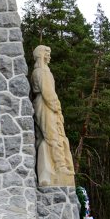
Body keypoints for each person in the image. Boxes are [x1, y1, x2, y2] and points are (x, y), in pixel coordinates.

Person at [30, 45, 75, 186]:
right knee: (52, 135)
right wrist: (57, 107)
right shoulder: (41, 72)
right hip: (45, 105)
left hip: (47, 104)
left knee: (55, 135)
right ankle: (60, 166)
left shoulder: (43, 71)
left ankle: (58, 166)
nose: (49, 56)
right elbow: (48, 93)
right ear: (41, 55)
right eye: (47, 53)